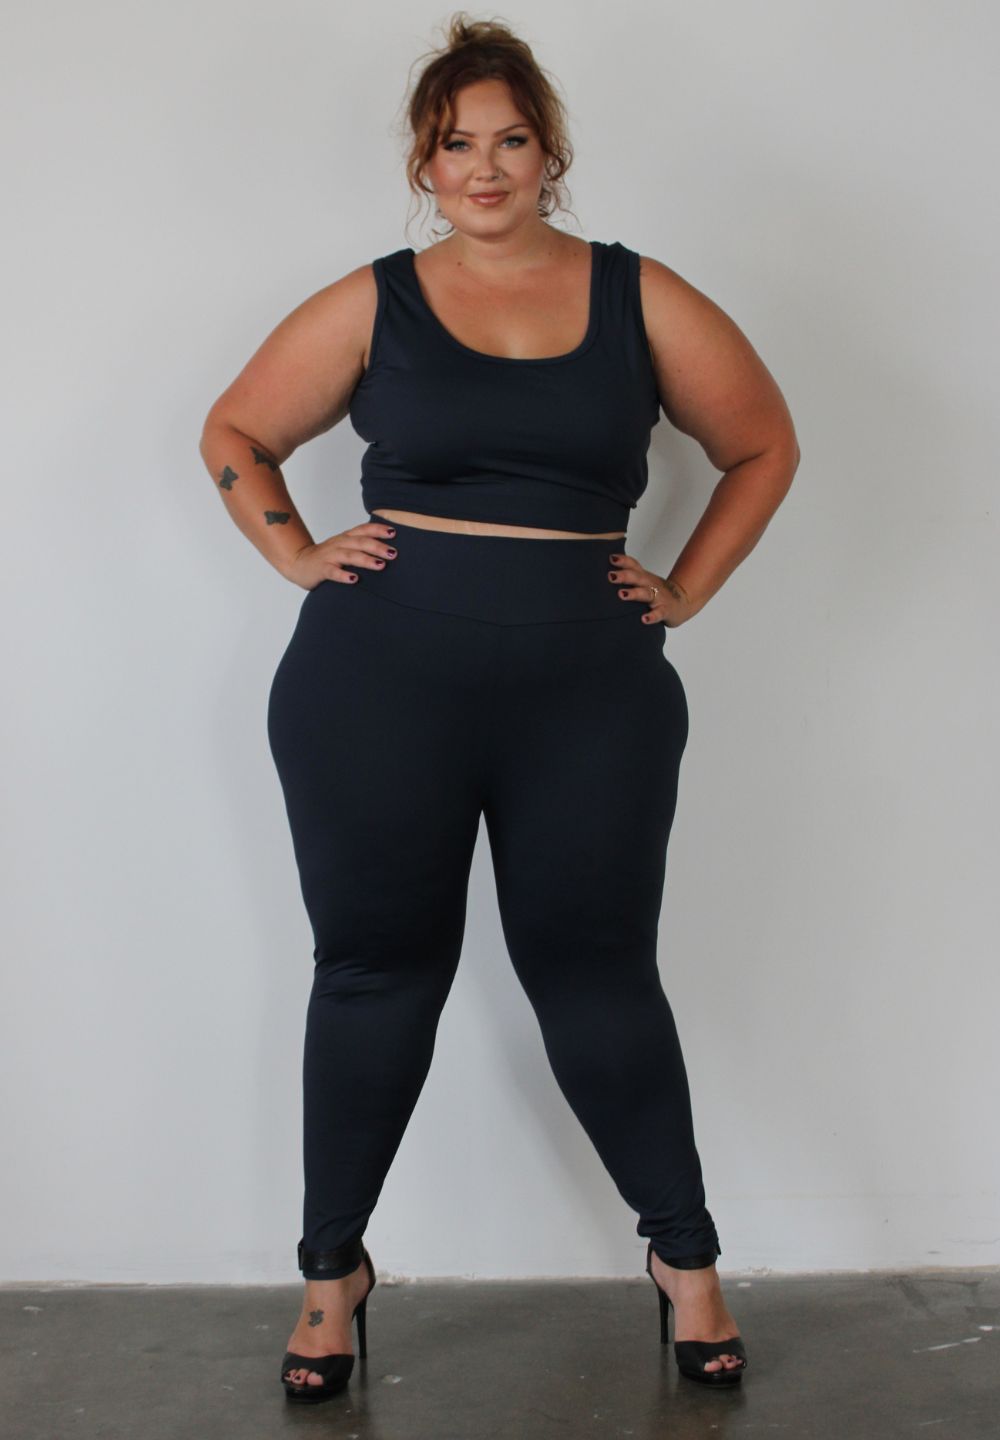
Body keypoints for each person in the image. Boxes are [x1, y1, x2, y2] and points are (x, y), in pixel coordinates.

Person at [198, 13, 799, 1405]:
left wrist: (687, 587)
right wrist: (293, 552)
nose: (484, 167)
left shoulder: (641, 295)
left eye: (510, 140)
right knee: (373, 971)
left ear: (549, 153)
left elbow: (762, 444)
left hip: (589, 693)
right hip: (375, 686)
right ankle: (330, 1272)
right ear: (425, 162)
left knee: (598, 973)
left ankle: (685, 1258)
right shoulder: (377, 302)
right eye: (456, 144)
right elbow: (236, 431)